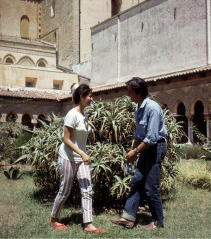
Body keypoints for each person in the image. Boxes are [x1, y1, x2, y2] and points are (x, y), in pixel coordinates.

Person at [110, 77, 168, 230]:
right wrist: (132, 151)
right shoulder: (139, 107)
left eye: (130, 92)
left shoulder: (152, 108)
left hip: (156, 148)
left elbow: (152, 138)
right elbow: (139, 134)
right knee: (136, 181)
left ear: (138, 92)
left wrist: (135, 151)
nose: (128, 95)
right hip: (145, 147)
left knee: (151, 186)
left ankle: (157, 221)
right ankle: (128, 218)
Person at [50, 84, 105, 234]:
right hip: (67, 157)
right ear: (82, 97)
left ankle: (88, 224)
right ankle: (54, 218)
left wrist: (83, 154)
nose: (92, 99)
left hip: (81, 158)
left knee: (87, 189)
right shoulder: (71, 114)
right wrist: (82, 153)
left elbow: (80, 139)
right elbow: (66, 140)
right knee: (65, 190)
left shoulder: (84, 115)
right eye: (90, 96)